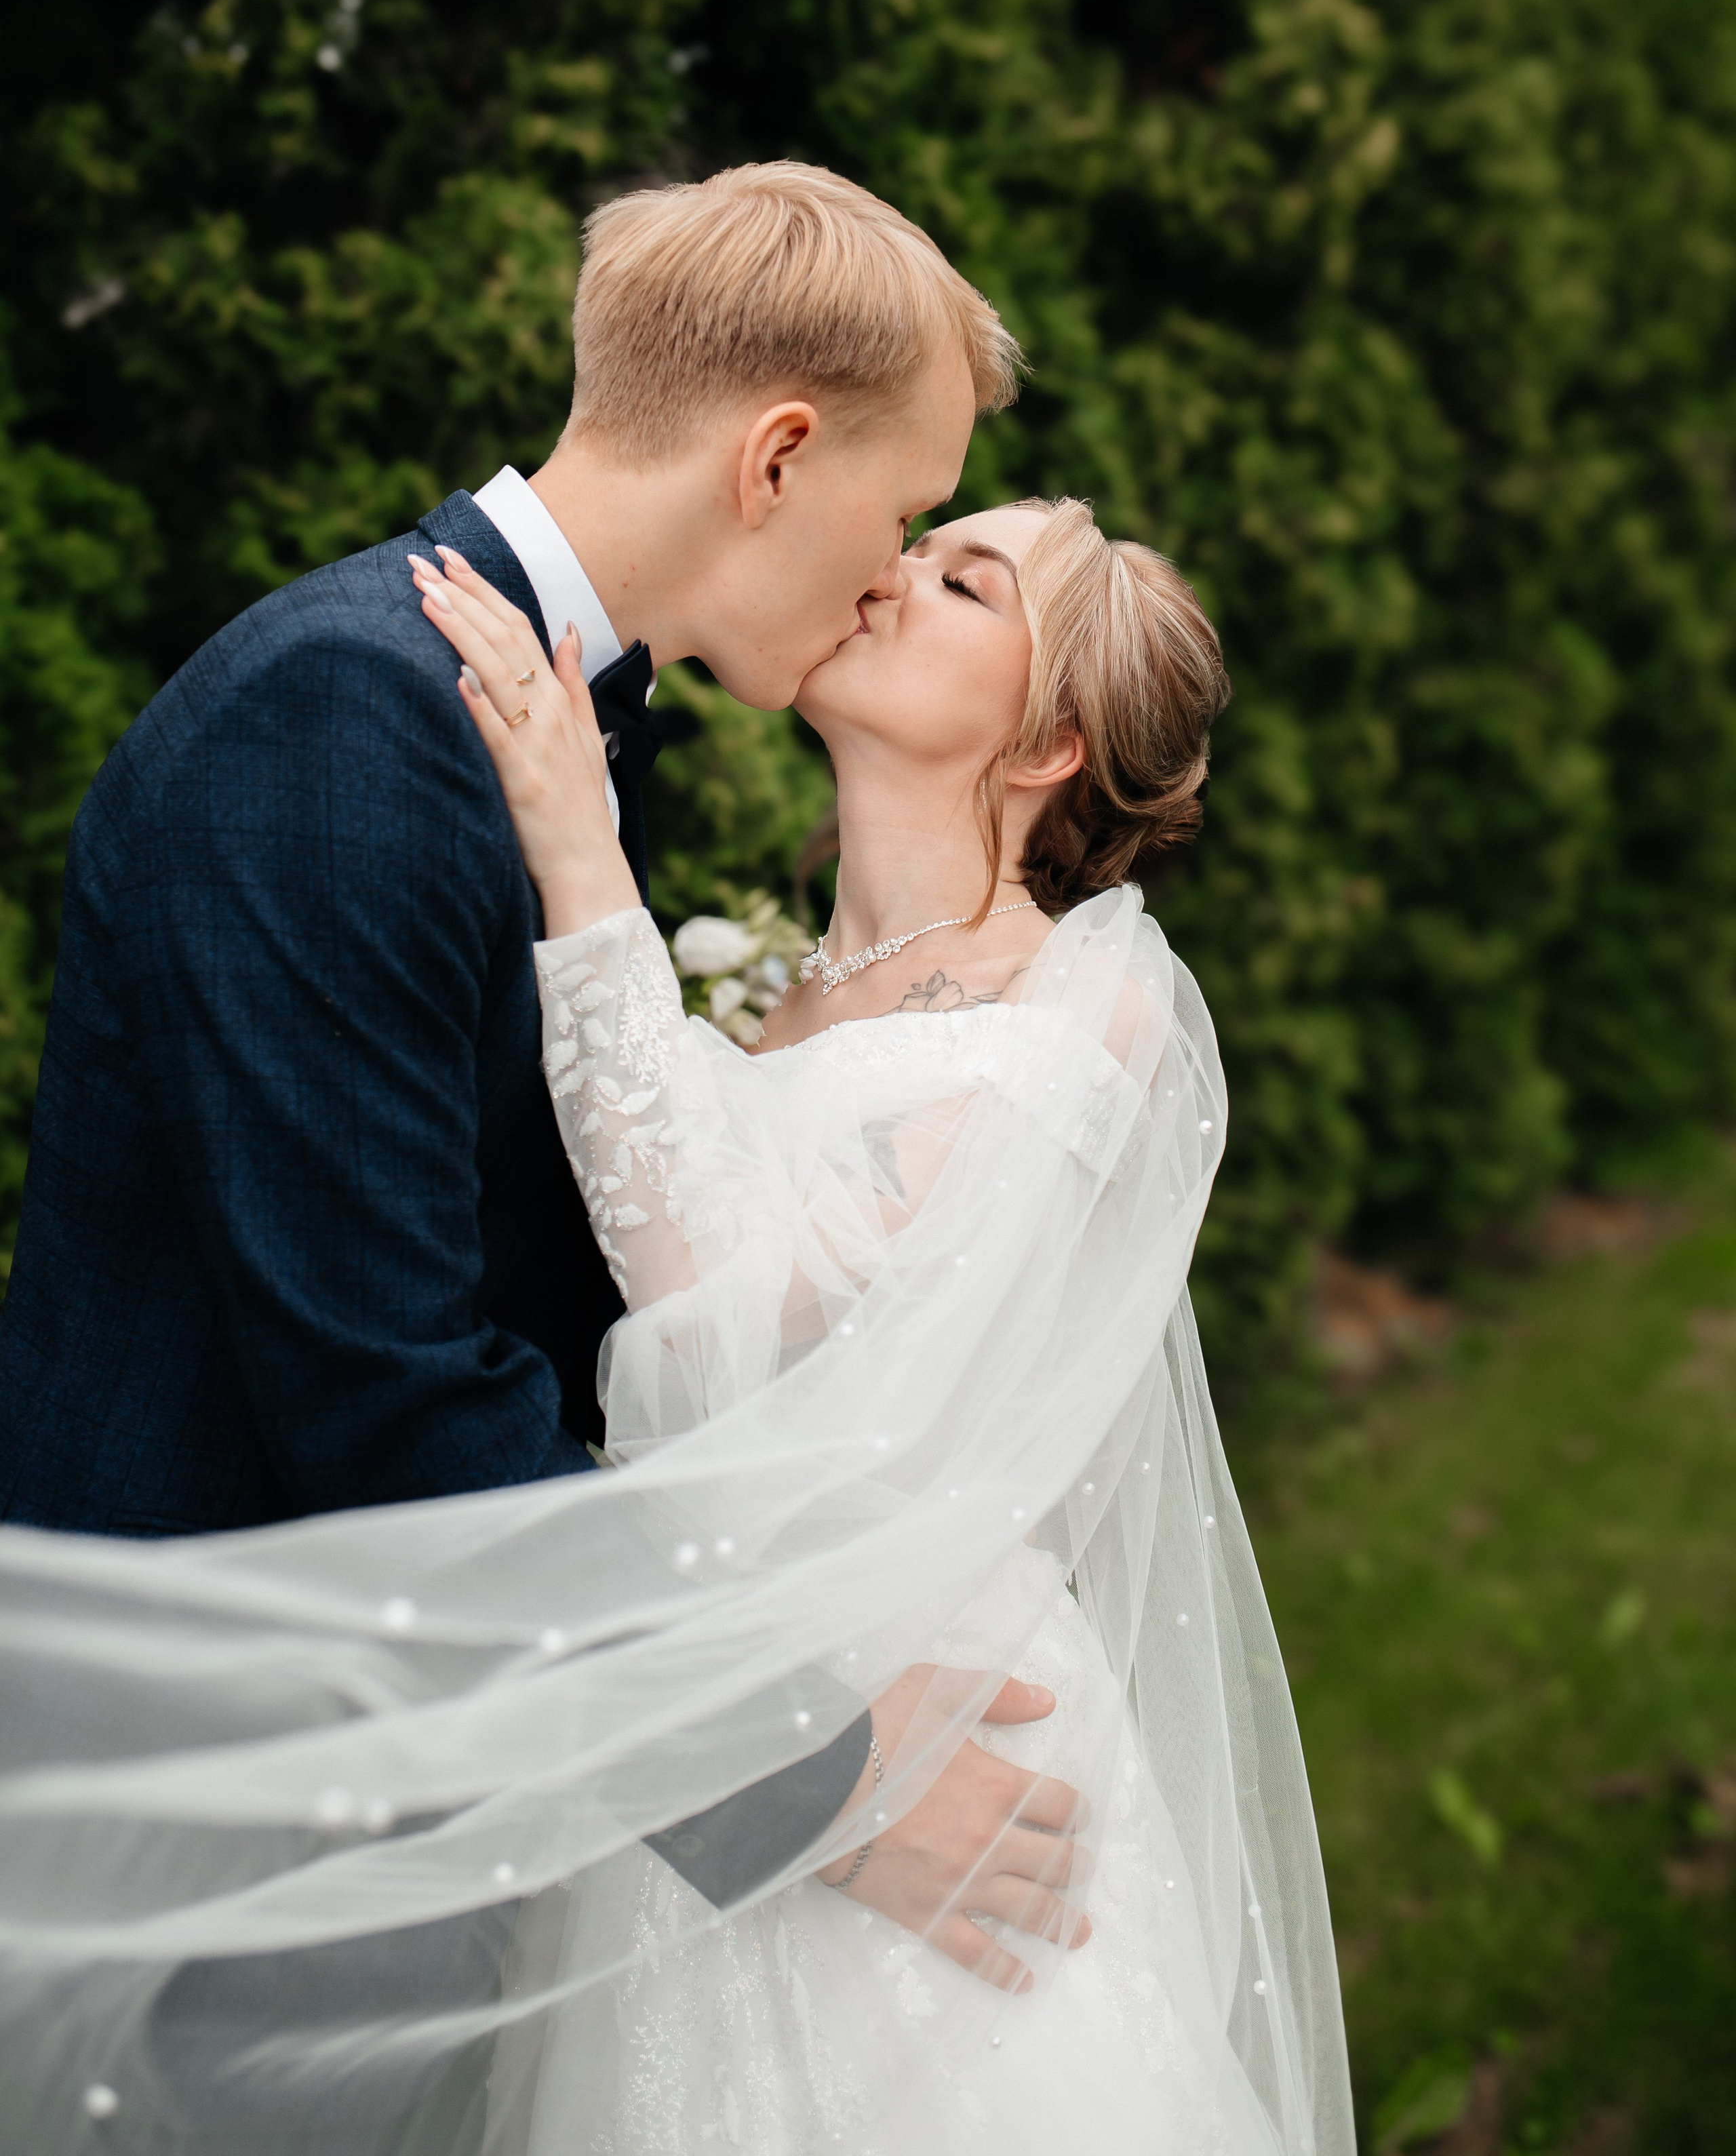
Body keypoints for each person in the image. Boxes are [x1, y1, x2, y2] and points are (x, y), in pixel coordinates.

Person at [0, 167, 1103, 2140]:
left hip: (405, 1778)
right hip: (239, 1843)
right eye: (906, 509)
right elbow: (388, 1390)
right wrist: (827, 1786)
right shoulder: (341, 727)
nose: (892, 569)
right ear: (779, 455)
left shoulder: (531, 721)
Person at [366, 490, 1349, 2151]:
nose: (891, 573)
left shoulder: (1084, 1014)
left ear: (1044, 741)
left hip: (937, 1730)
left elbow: (729, 1323)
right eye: (919, 546)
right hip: (738, 1726)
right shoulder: (778, 996)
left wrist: (581, 865)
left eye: (964, 581)